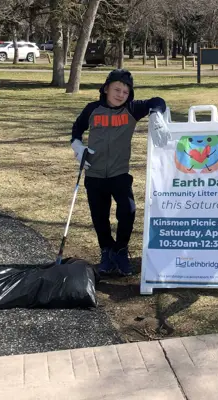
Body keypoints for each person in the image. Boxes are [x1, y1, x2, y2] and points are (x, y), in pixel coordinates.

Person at [70, 69, 171, 276]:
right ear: (106, 88)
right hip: (94, 174)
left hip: (119, 174)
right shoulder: (92, 109)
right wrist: (78, 147)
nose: (121, 95)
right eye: (117, 89)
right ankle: (107, 251)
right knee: (100, 216)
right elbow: (76, 129)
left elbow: (158, 100)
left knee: (128, 211)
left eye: (125, 92)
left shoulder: (131, 109)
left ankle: (121, 250)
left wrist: (156, 113)